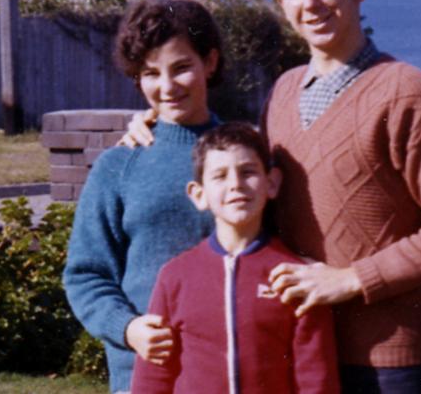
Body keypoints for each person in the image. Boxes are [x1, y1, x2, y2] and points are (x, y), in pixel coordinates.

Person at [123, 0, 421, 393]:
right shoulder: (284, 91)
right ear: (282, 5)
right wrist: (158, 118)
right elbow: (240, 173)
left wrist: (353, 279)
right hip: (289, 358)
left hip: (381, 361)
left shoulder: (407, 92)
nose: (310, 2)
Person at [63, 0, 224, 393]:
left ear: (211, 62)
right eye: (151, 73)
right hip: (146, 376)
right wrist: (128, 327)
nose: (167, 87)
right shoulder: (118, 166)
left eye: (182, 67)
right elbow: (86, 274)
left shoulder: (244, 156)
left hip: (232, 370)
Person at [130, 122, 340, 394]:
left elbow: (316, 377)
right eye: (219, 176)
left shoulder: (297, 277)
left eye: (248, 172)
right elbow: (154, 373)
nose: (236, 185)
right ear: (199, 194)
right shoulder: (175, 276)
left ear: (272, 182)